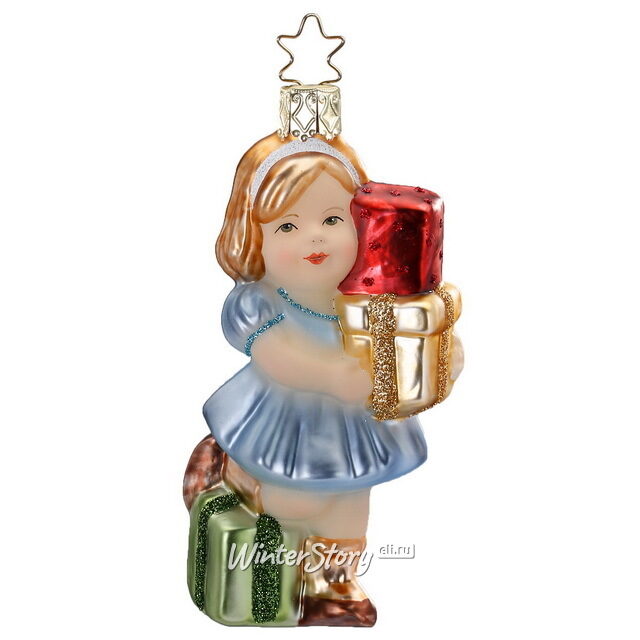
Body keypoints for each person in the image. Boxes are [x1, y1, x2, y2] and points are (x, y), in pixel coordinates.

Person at [201, 132, 429, 626]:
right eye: (287, 226)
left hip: (356, 426)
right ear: (254, 238)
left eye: (332, 219)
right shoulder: (262, 300)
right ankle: (244, 480)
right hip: (287, 420)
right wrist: (326, 374)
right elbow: (275, 356)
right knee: (293, 500)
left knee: (352, 501)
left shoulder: (370, 299)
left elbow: (410, 344)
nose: (315, 237)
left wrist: (438, 358)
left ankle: (334, 584)